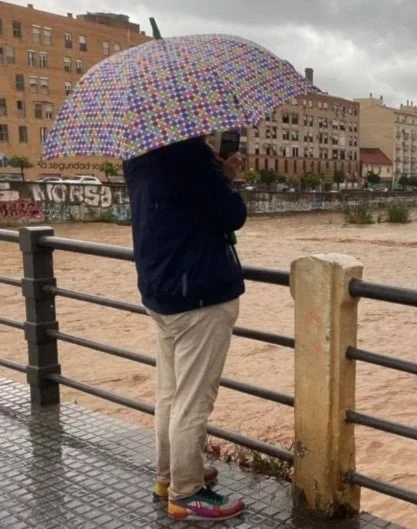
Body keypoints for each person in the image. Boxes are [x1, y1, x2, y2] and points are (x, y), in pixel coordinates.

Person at [123, 136, 247, 521]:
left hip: (161, 291)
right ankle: (187, 492)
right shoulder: (192, 153)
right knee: (193, 402)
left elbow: (174, 208)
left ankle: (168, 476)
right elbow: (232, 215)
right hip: (200, 294)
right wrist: (226, 175)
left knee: (170, 395)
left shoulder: (136, 152)